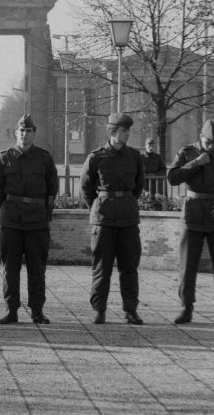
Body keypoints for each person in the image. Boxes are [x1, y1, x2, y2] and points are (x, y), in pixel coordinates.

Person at [167, 119, 214, 325]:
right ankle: (186, 308)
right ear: (201, 137)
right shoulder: (187, 152)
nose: (211, 146)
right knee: (188, 264)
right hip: (192, 213)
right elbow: (172, 177)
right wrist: (194, 163)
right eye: (207, 142)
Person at [0, 115, 58, 324]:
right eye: (21, 131)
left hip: (37, 221)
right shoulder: (4, 159)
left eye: (29, 131)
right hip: (11, 221)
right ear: (15, 133)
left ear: (34, 133)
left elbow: (52, 187)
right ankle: (11, 310)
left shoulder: (44, 158)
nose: (25, 134)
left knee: (37, 268)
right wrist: (8, 208)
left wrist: (46, 210)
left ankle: (37, 310)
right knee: (10, 269)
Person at [79, 113, 145, 325]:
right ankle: (99, 310)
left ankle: (131, 311)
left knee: (129, 268)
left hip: (128, 220)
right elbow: (86, 189)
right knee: (101, 267)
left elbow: (138, 187)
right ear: (112, 132)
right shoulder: (96, 157)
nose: (127, 134)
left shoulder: (134, 157)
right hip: (104, 220)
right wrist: (99, 207)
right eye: (124, 131)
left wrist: (123, 203)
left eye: (128, 131)